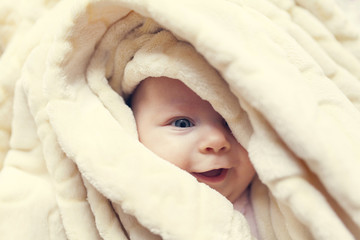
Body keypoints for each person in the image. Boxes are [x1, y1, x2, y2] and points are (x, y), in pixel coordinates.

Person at [129, 76, 256, 204]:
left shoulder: (269, 208)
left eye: (231, 124)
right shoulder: (127, 208)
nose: (217, 140)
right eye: (182, 123)